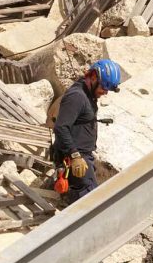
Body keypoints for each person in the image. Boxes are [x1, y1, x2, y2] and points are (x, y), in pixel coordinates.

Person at [52, 59, 121, 204]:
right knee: (89, 203)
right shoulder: (77, 96)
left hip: (83, 157)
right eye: (103, 88)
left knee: (87, 197)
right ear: (94, 77)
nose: (105, 92)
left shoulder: (88, 94)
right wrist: (75, 156)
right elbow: (60, 127)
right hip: (75, 159)